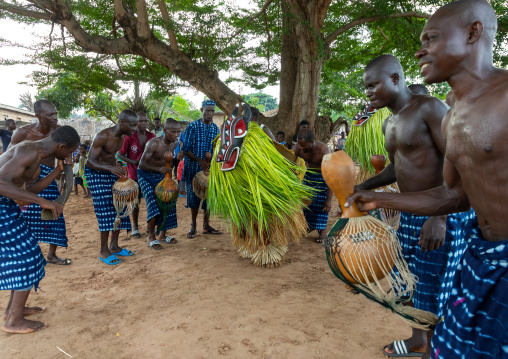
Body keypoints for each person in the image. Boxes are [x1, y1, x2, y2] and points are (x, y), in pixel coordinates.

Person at [346, 2, 507, 357]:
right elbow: (453, 193)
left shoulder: (485, 100)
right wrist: (376, 197)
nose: (420, 50)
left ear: (473, 33)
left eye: (431, 38)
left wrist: (439, 220)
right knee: (442, 326)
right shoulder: (453, 117)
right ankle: (421, 338)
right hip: (482, 258)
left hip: (472, 243)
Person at [349, 54, 475, 357]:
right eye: (365, 87)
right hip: (411, 214)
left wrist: (440, 217)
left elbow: (459, 158)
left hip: (442, 213)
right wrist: (363, 187)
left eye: (373, 85)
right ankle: (419, 339)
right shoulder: (389, 123)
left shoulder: (429, 108)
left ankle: (438, 347)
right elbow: (396, 168)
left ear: (395, 79)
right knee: (409, 282)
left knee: (434, 284)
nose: (368, 93)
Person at [0, 126, 79, 334]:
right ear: (61, 146)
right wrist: (42, 202)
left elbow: (28, 189)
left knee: (28, 256)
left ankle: (13, 311)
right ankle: (12, 321)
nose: (70, 155)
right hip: (1, 206)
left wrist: (58, 171)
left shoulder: (38, 156)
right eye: (70, 151)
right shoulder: (28, 150)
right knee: (27, 257)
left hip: (7, 205)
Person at [9, 100, 72, 266]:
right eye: (50, 114)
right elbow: (9, 158)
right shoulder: (22, 133)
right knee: (26, 218)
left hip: (49, 175)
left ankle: (51, 255)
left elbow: (66, 154)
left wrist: (66, 165)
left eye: (56, 113)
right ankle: (29, 255)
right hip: (25, 179)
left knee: (55, 214)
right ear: (37, 116)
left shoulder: (59, 132)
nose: (54, 117)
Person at [85, 110, 138, 265]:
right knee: (105, 210)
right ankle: (103, 250)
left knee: (121, 206)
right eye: (132, 125)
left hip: (108, 170)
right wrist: (110, 169)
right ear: (121, 122)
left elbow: (110, 158)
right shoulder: (103, 136)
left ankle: (114, 246)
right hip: (95, 173)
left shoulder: (122, 138)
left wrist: (117, 168)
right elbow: (90, 162)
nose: (134, 129)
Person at [138, 119, 180, 249]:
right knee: (152, 198)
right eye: (173, 132)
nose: (176, 134)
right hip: (145, 174)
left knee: (169, 198)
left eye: (178, 131)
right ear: (164, 130)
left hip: (162, 175)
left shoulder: (175, 143)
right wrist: (159, 169)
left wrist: (168, 173)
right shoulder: (153, 143)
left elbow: (170, 163)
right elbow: (141, 164)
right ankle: (151, 236)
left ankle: (162, 235)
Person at [182, 99, 221, 238]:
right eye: (207, 111)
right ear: (202, 110)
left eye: (212, 111)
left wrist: (211, 164)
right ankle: (193, 226)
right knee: (193, 198)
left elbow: (216, 149)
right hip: (193, 167)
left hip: (209, 169)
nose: (210, 113)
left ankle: (206, 225)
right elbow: (185, 149)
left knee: (209, 197)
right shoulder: (193, 126)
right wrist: (199, 160)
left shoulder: (215, 128)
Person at [117, 112, 155, 238]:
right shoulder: (129, 137)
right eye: (141, 121)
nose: (143, 123)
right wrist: (133, 162)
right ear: (136, 122)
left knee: (152, 200)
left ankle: (151, 226)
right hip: (134, 174)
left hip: (150, 173)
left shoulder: (152, 136)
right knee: (135, 202)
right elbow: (120, 154)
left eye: (145, 121)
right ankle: (135, 227)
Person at [293, 129, 332, 243]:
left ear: (312, 141)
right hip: (309, 176)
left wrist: (329, 199)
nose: (301, 148)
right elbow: (290, 163)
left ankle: (322, 231)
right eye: (300, 145)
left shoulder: (324, 150)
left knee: (322, 204)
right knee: (306, 203)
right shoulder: (298, 147)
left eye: (304, 145)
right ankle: (309, 226)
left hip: (324, 178)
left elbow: (330, 176)